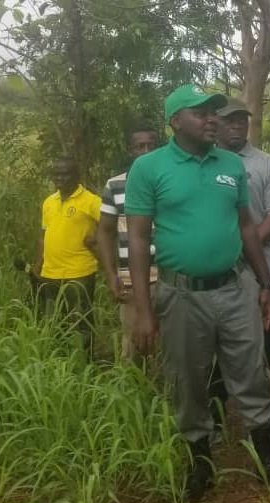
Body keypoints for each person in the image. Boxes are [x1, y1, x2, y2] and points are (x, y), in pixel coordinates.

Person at [125, 84, 270, 502]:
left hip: (235, 289)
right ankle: (200, 462)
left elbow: (246, 226)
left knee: (252, 372)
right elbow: (138, 240)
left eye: (213, 111)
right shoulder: (149, 168)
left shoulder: (230, 164)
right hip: (181, 295)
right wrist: (143, 310)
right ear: (175, 121)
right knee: (188, 380)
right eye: (201, 113)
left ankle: (267, 454)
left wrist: (265, 283)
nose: (212, 119)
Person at [208, 98, 270, 436]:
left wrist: (238, 247)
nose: (237, 126)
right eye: (230, 120)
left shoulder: (266, 164)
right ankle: (214, 415)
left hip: (259, 270)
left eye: (242, 120)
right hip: (211, 273)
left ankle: (260, 422)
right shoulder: (204, 163)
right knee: (212, 345)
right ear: (215, 124)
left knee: (257, 344)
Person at [97, 125, 160, 363]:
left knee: (168, 350)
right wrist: (111, 275)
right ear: (129, 150)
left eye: (151, 146)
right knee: (133, 348)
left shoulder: (169, 181)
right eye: (139, 146)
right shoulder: (115, 186)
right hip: (132, 282)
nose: (146, 152)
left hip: (169, 279)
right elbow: (105, 233)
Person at [35, 157, 102, 357]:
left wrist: (96, 239)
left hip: (79, 273)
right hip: (50, 272)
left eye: (65, 174)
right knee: (54, 321)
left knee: (82, 322)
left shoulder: (91, 201)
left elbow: (111, 225)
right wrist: (38, 265)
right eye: (56, 174)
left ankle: (86, 362)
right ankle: (60, 362)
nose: (60, 178)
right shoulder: (49, 202)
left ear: (76, 176)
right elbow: (44, 236)